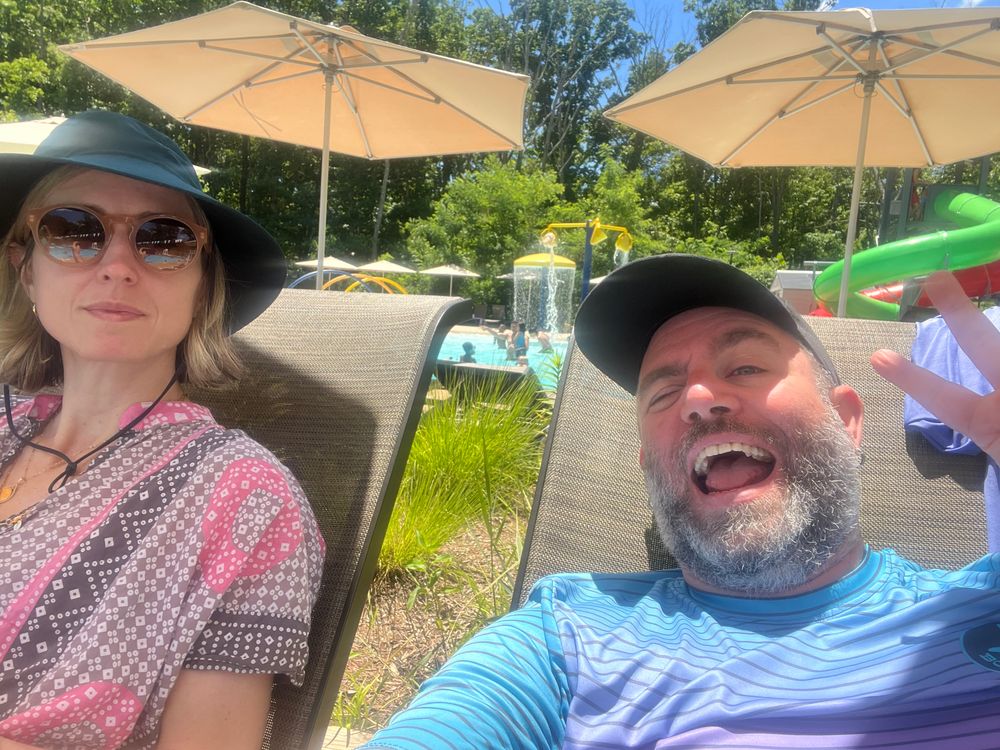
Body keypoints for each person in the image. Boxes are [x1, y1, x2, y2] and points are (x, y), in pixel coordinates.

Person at [360, 254, 1000, 749]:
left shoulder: (980, 604)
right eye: (663, 393)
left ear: (847, 422)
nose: (699, 398)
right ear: (648, 464)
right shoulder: (566, 638)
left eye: (746, 367)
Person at [0, 111, 324, 750]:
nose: (118, 264)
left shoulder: (244, 501)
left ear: (204, 289)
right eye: (72, 230)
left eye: (165, 239)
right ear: (26, 267)